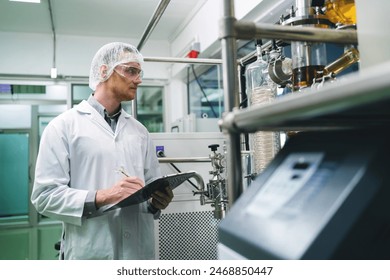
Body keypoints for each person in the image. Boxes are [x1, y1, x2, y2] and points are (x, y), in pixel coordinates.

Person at [31, 42, 174, 260]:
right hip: (92, 252)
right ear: (104, 70)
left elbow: (149, 190)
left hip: (138, 255)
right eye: (131, 71)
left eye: (139, 72)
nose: (139, 79)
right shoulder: (63, 127)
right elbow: (44, 197)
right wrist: (103, 196)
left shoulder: (140, 132)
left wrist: (156, 204)